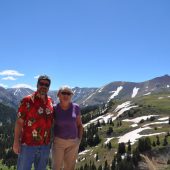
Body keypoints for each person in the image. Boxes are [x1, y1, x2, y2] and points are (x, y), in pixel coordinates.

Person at [13, 75, 54, 170]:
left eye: (46, 85)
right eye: (41, 83)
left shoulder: (50, 101)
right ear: (37, 84)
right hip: (28, 144)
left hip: (45, 144)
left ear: (49, 87)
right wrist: (16, 142)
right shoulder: (27, 100)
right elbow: (19, 122)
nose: (44, 86)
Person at [52, 85, 84, 170]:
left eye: (69, 93)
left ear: (71, 96)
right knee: (56, 167)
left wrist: (79, 140)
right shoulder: (54, 108)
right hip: (58, 142)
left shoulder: (76, 107)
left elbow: (80, 125)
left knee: (70, 167)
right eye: (63, 93)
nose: (66, 95)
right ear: (58, 95)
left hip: (73, 143)